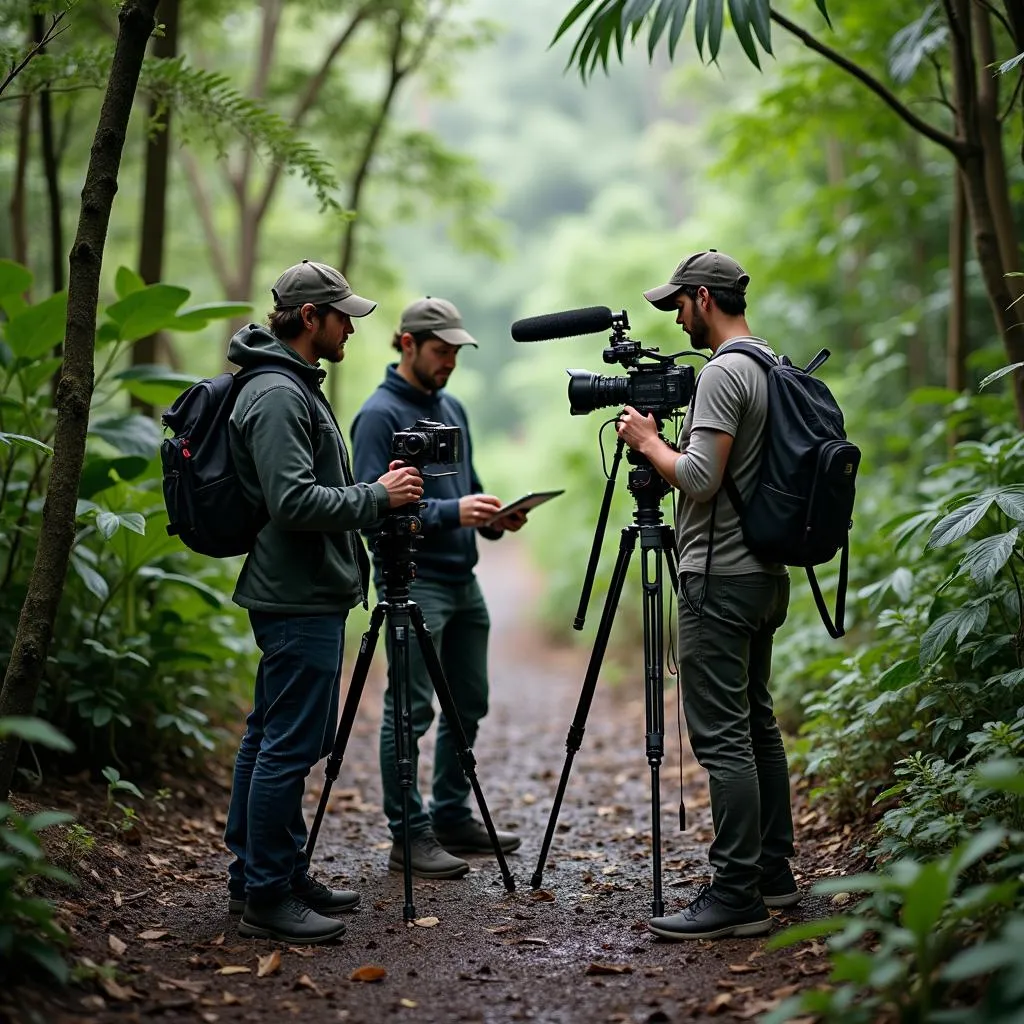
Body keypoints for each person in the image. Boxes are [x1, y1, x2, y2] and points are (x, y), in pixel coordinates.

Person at [223, 260, 424, 944]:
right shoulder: (278, 394)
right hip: (297, 594)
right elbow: (292, 501)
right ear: (310, 317)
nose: (351, 328)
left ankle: (261, 874)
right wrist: (379, 497)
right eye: (343, 317)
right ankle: (267, 896)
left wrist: (374, 491)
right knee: (289, 744)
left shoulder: (291, 386)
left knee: (269, 736)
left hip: (301, 590)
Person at [614, 250, 798, 941]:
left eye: (678, 306)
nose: (676, 320)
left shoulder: (723, 373)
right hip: (764, 573)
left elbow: (698, 479)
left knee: (724, 740)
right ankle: (773, 875)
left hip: (719, 576)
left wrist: (647, 441)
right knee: (756, 725)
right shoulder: (770, 362)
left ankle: (736, 893)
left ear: (701, 298)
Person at [351, 296, 525, 880]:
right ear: (407, 344)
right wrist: (454, 514)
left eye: (455, 352)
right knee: (410, 708)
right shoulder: (378, 416)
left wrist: (495, 517)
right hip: (413, 582)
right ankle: (409, 833)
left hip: (462, 579)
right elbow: (374, 508)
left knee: (468, 702)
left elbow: (467, 487)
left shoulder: (453, 407)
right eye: (440, 350)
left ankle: (451, 814)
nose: (450, 361)